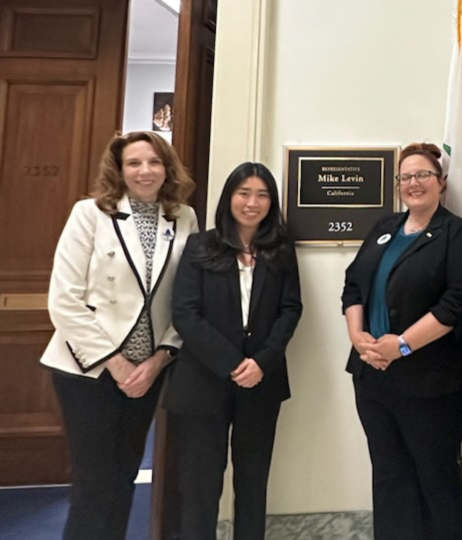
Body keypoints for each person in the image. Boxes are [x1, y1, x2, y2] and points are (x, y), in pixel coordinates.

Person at [39, 131, 197, 540]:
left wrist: (159, 359)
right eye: (134, 163)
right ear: (119, 170)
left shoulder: (184, 217)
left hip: (150, 369)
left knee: (126, 475)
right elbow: (64, 300)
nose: (145, 171)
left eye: (154, 162)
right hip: (88, 369)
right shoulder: (90, 213)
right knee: (93, 482)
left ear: (167, 167)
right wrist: (118, 362)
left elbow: (187, 298)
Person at [341, 142, 462, 540]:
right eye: (405, 176)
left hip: (434, 381)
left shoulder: (457, 234)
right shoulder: (384, 228)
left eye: (422, 174)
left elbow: (457, 303)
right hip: (373, 376)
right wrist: (359, 338)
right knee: (389, 473)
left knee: (434, 476)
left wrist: (401, 345)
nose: (413, 183)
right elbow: (353, 285)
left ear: (440, 182)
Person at [164, 162, 302, 540]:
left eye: (262, 195)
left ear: (271, 203)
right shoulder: (200, 246)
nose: (252, 202)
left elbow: (291, 309)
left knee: (253, 483)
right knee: (201, 487)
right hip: (203, 383)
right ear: (229, 198)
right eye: (244, 193)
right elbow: (185, 314)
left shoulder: (281, 249)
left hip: (262, 382)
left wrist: (261, 361)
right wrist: (233, 363)